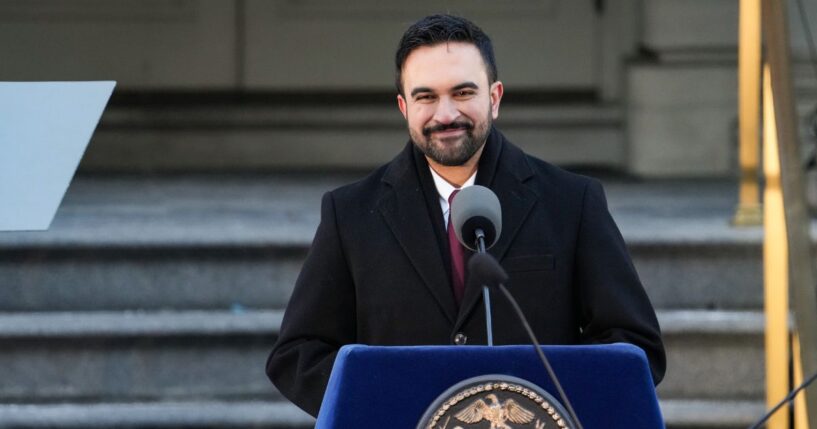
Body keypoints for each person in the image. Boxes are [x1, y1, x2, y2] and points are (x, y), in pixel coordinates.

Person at [266, 14, 666, 417]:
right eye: (426, 97)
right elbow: (298, 355)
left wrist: (549, 412)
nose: (445, 115)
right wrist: (387, 410)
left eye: (462, 93)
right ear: (404, 106)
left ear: (494, 97)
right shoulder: (349, 213)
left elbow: (635, 347)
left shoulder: (573, 202)